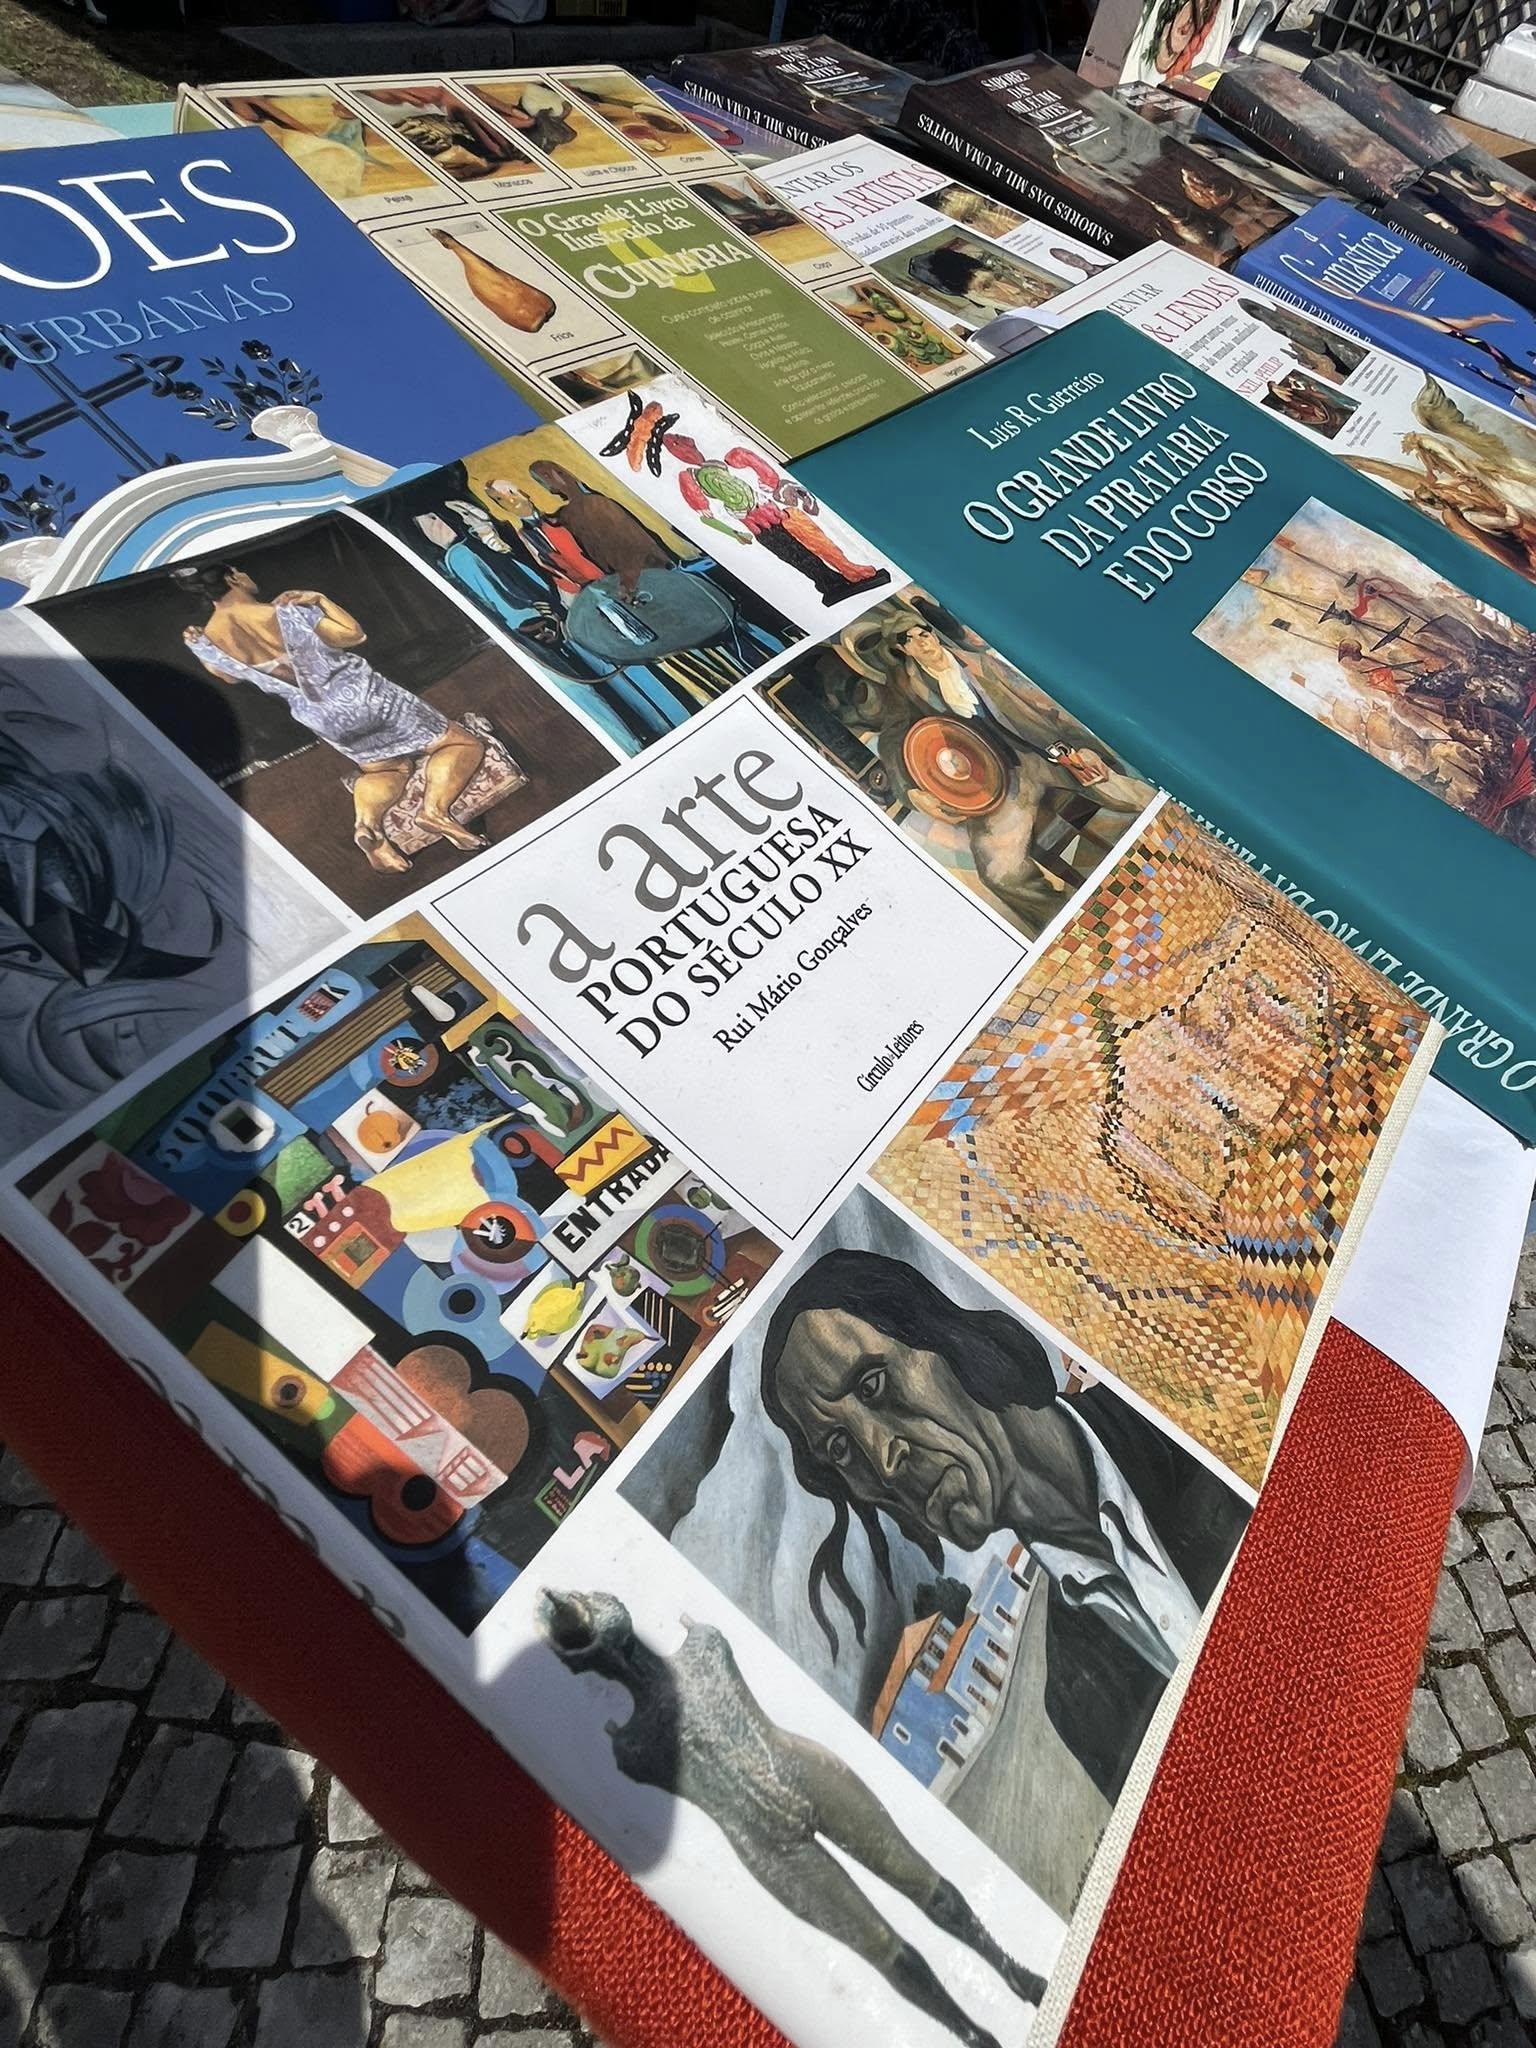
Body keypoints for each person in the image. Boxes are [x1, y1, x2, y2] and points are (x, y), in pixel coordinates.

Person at [758, 1248, 1249, 1800]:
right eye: (840, 1448)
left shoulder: (1189, 1409)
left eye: (873, 1385)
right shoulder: (1077, 1705)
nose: (884, 1460)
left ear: (951, 1341)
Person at [174, 561, 487, 876]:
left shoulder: (207, 639)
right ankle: (435, 811)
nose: (247, 575)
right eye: (241, 571)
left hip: (322, 718)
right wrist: (319, 599)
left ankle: (368, 826)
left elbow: (229, 677)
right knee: (460, 743)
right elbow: (353, 635)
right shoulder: (286, 611)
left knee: (387, 768)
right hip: (365, 695)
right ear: (233, 577)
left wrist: (199, 648)